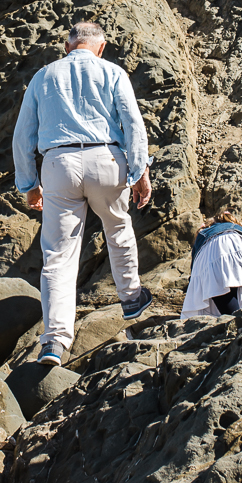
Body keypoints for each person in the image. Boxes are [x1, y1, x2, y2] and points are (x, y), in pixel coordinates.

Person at [13, 21, 155, 366]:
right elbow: (133, 123)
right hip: (106, 156)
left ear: (67, 46)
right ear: (101, 47)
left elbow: (22, 136)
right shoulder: (112, 71)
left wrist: (29, 185)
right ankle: (132, 299)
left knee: (58, 255)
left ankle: (54, 341)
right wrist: (139, 172)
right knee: (118, 228)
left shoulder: (43, 76)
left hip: (58, 163)